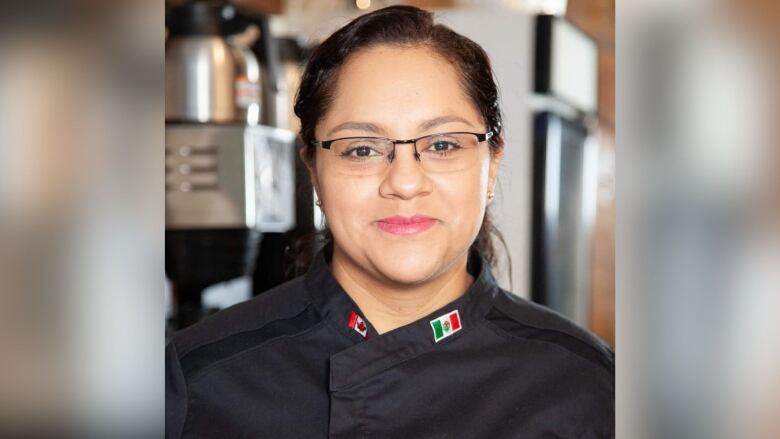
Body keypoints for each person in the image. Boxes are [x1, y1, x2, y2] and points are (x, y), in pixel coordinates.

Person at [166, 5, 614, 438]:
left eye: (442, 145)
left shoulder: (588, 388)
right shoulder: (196, 382)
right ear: (313, 172)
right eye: (361, 148)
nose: (403, 182)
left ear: (491, 164)